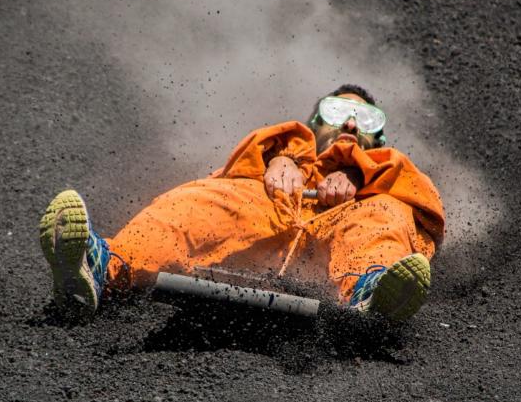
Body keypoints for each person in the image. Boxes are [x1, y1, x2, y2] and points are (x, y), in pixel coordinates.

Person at [39, 84, 445, 326]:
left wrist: (360, 174)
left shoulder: (393, 179)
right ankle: (100, 269)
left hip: (342, 243)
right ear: (314, 123)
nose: (351, 124)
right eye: (337, 112)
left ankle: (370, 293)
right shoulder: (274, 155)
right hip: (269, 224)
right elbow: (237, 167)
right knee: (205, 199)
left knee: (383, 215)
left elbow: (424, 206)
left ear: (381, 140)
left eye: (366, 119)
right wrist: (282, 157)